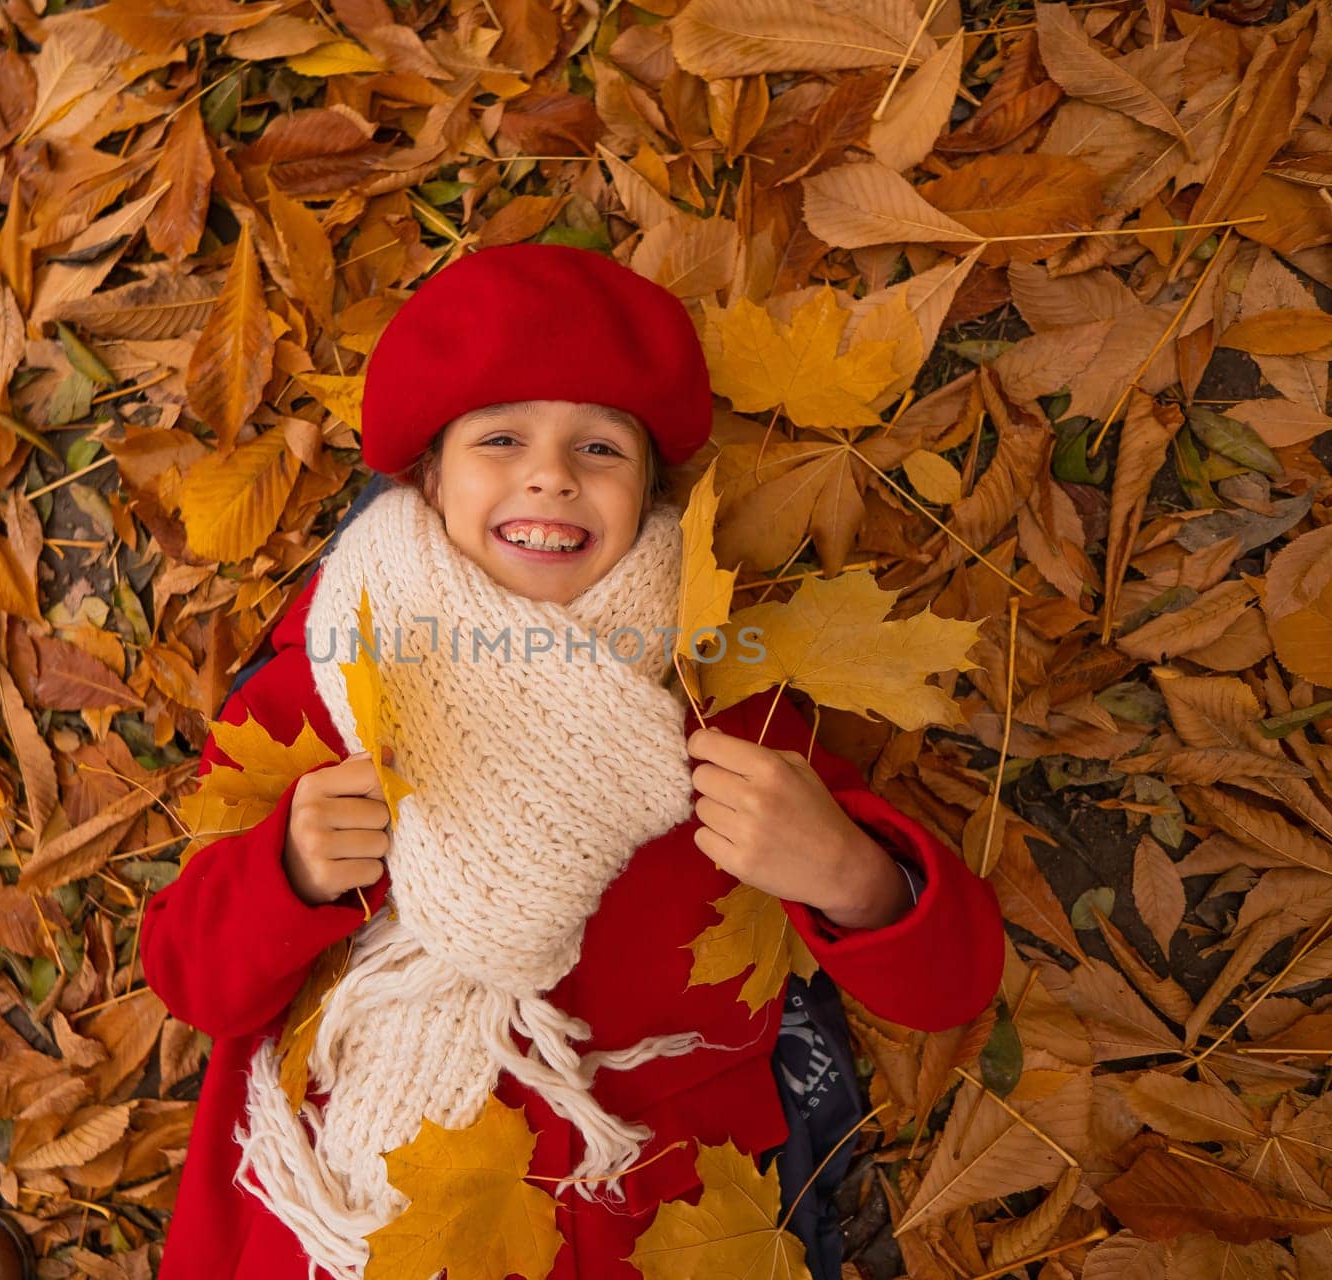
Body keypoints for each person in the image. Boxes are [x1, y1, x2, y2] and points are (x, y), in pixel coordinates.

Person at [138, 243, 1005, 1280]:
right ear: (426, 475)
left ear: (652, 496)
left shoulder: (716, 694)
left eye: (600, 449)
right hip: (343, 1202)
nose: (549, 473)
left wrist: (853, 877)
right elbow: (189, 979)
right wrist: (286, 873)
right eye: (501, 438)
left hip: (634, 1207)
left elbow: (951, 981)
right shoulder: (329, 679)